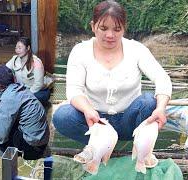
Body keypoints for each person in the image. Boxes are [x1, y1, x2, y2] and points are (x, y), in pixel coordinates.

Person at [53, 0, 172, 146]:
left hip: (129, 120)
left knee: (148, 102)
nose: (110, 35)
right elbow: (73, 90)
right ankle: (102, 145)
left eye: (117, 29)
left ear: (124, 29)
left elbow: (162, 78)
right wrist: (87, 109)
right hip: (96, 121)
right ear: (93, 26)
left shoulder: (136, 49)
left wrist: (160, 108)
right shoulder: (80, 51)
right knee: (62, 116)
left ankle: (133, 143)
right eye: (103, 28)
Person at [0, 65, 49, 160]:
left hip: (32, 148)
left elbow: (2, 132)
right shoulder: (17, 88)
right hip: (42, 139)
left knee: (1, 121)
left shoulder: (9, 99)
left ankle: (6, 149)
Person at [0, 37, 50, 105]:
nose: (17, 50)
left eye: (20, 48)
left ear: (28, 48)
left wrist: (24, 95)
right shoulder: (15, 59)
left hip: (35, 91)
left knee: (38, 98)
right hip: (19, 90)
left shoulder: (36, 62)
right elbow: (1, 72)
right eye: (16, 48)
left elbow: (38, 84)